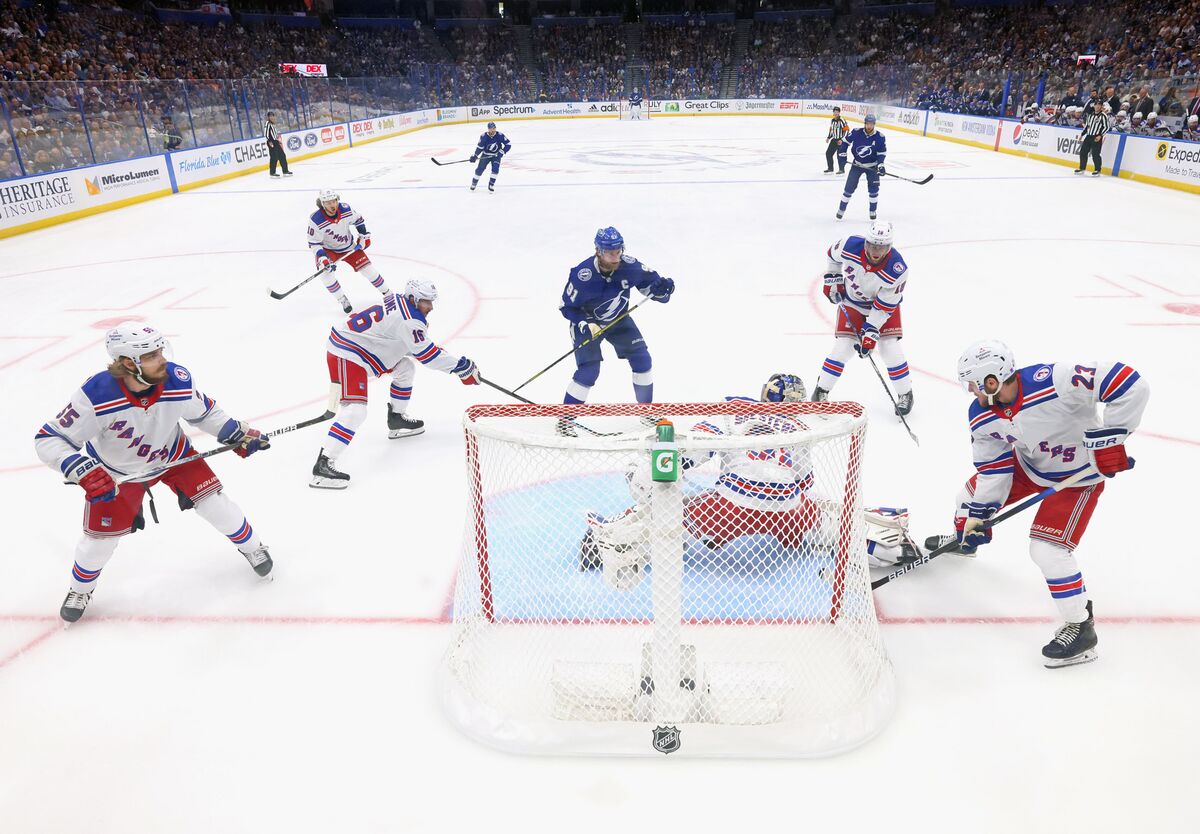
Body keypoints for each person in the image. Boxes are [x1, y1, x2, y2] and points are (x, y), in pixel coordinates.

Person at [579, 374, 919, 587]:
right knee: (822, 518)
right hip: (787, 511)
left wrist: (662, 468)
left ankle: (614, 542)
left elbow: (695, 451)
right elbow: (803, 483)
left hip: (730, 508)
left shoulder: (734, 409)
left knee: (663, 501)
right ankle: (882, 545)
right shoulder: (801, 427)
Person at [34, 325, 273, 623]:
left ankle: (253, 548)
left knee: (216, 504)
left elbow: (206, 412)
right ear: (126, 363)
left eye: (160, 350)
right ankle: (80, 589)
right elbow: (48, 439)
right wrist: (80, 468)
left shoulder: (176, 379)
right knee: (98, 544)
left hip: (173, 454)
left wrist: (235, 433)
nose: (161, 359)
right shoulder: (95, 395)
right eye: (150, 355)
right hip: (118, 473)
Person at [936, 340, 1147, 667]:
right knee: (966, 499)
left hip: (1077, 478)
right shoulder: (981, 414)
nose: (971, 391)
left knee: (1047, 550)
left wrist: (1111, 438)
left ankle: (1080, 627)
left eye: (974, 384)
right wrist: (981, 516)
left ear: (992, 380)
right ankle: (967, 543)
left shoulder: (1055, 381)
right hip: (1029, 467)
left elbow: (1128, 383)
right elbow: (994, 468)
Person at [311, 279, 480, 489]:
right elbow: (428, 356)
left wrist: (455, 364)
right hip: (348, 353)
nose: (431, 307)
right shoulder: (411, 320)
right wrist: (461, 367)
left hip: (364, 347)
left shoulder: (399, 302)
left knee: (405, 368)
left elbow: (412, 346)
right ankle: (323, 465)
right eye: (426, 302)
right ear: (413, 299)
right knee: (356, 411)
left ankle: (396, 418)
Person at [557, 226, 675, 434]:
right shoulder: (582, 275)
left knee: (642, 360)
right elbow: (566, 307)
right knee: (589, 371)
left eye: (618, 250)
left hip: (618, 320)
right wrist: (586, 324)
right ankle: (565, 421)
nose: (615, 255)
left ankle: (646, 412)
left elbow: (656, 292)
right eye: (610, 251)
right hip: (588, 325)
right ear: (598, 251)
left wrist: (662, 291)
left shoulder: (630, 266)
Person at [811, 220, 913, 416]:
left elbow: (883, 307)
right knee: (842, 348)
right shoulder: (849, 245)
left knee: (889, 347)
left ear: (889, 248)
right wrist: (833, 278)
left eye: (881, 247)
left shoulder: (897, 270)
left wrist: (871, 331)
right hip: (852, 304)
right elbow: (832, 255)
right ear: (866, 242)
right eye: (873, 245)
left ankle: (905, 393)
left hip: (882, 309)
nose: (875, 251)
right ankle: (821, 390)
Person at [307, 188, 392, 314]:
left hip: (348, 246)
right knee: (325, 274)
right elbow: (314, 243)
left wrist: (363, 236)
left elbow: (359, 220)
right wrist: (323, 258)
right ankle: (342, 299)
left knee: (369, 270)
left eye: (334, 201)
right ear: (322, 204)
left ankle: (388, 293)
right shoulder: (316, 219)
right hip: (328, 250)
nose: (332, 205)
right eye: (328, 202)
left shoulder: (345, 209)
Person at [836, 113, 887, 220]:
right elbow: (845, 143)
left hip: (872, 167)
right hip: (857, 165)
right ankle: (841, 209)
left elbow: (881, 153)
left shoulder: (880, 137)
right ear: (865, 123)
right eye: (868, 123)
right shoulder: (856, 132)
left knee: (874, 190)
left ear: (874, 124)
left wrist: (881, 164)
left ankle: (872, 211)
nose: (869, 126)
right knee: (849, 188)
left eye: (871, 124)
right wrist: (842, 153)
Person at [469, 121, 511, 193]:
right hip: (486, 155)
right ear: (488, 129)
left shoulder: (500, 135)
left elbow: (508, 144)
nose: (493, 130)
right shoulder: (483, 136)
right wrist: (475, 155)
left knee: (495, 169)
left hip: (496, 155)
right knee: (479, 169)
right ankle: (474, 183)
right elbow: (480, 148)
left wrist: (502, 151)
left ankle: (491, 184)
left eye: (494, 128)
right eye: (491, 128)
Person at [1074, 99, 1110, 176]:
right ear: (1094, 106)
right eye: (1096, 104)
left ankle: (1097, 170)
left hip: (1096, 137)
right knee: (1083, 152)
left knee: (1095, 154)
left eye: (1099, 105)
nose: (1097, 106)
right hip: (1088, 136)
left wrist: (1100, 135)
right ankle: (1082, 168)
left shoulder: (1103, 116)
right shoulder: (1091, 115)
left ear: (1101, 106)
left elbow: (1106, 127)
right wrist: (1082, 134)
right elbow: (1087, 126)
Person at [262, 111, 291, 178]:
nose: (272, 117)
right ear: (268, 117)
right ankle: (272, 173)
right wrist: (269, 141)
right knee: (274, 157)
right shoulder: (267, 123)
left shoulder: (272, 124)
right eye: (270, 116)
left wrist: (277, 141)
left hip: (275, 142)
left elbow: (274, 134)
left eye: (273, 116)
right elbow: (266, 133)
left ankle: (285, 171)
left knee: (282, 156)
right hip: (271, 142)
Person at [823, 105, 849, 174]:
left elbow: (847, 130)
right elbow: (832, 130)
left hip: (840, 141)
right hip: (834, 140)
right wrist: (828, 137)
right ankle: (830, 168)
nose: (836, 113)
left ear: (839, 113)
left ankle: (841, 169)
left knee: (839, 155)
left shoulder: (842, 120)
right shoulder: (832, 120)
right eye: (835, 112)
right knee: (828, 153)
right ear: (833, 112)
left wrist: (842, 140)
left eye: (837, 112)